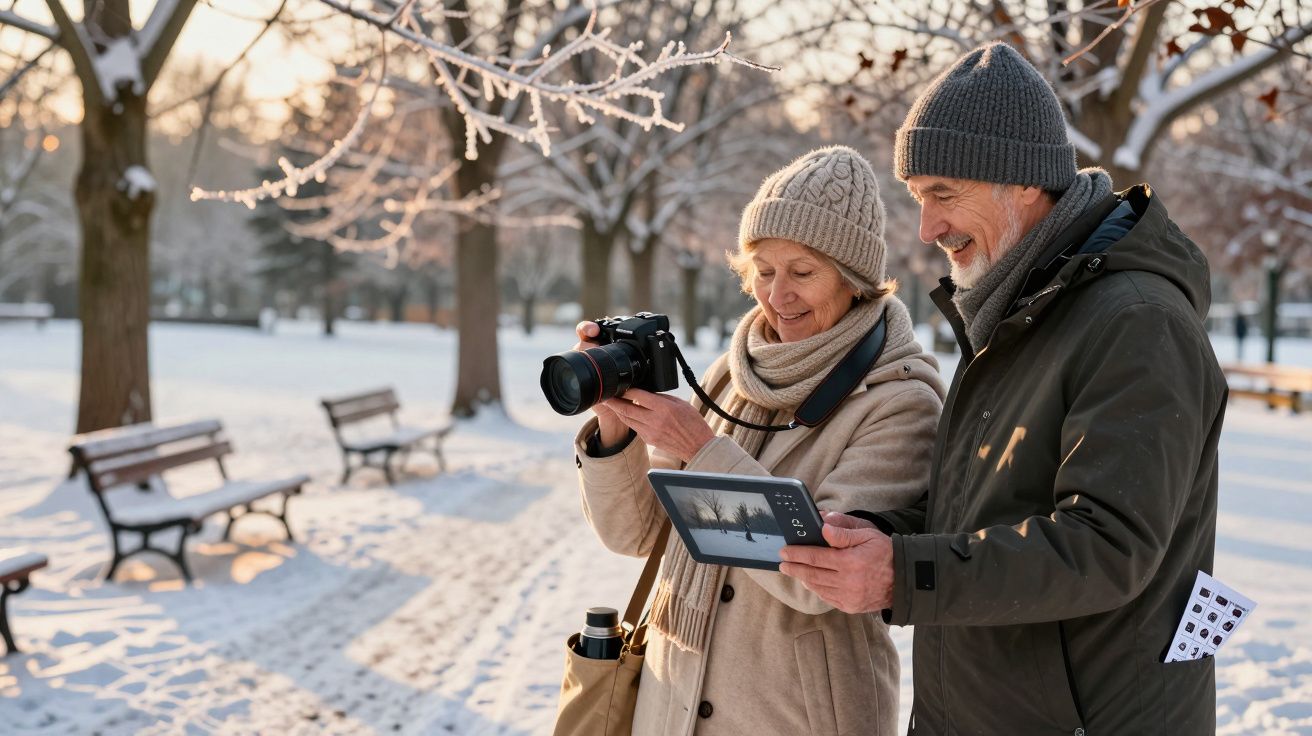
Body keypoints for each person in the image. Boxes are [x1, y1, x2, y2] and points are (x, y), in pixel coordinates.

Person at [779, 43, 1226, 735]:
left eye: (944, 195)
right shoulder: (1018, 310)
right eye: (919, 198)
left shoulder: (1135, 321)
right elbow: (987, 504)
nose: (928, 229)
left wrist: (905, 574)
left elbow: (1107, 546)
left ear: (1024, 183)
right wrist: (876, 536)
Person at [570, 146, 945, 736]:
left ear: (854, 282)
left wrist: (701, 447)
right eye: (763, 271)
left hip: (796, 718)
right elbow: (638, 534)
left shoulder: (899, 402)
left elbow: (823, 581)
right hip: (670, 707)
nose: (777, 295)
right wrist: (617, 428)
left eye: (802, 272)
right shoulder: (730, 375)